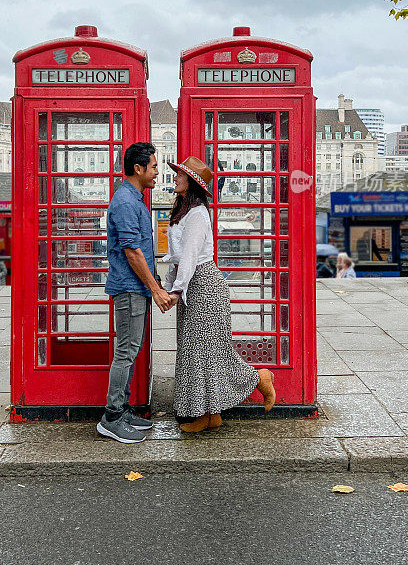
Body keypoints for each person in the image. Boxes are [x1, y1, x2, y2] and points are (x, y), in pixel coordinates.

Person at [163, 156, 276, 434]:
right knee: (198, 353)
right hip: (193, 284)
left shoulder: (198, 214)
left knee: (209, 352)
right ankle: (210, 415)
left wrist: (176, 290)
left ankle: (259, 378)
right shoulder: (182, 211)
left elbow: (190, 256)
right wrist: (167, 286)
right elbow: (176, 258)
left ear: (191, 182)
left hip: (204, 285)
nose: (175, 177)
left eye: (179, 175)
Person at [97, 142, 172, 445]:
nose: (157, 171)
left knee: (130, 350)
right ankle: (111, 417)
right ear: (138, 169)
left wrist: (154, 283)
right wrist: (156, 290)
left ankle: (123, 409)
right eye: (154, 166)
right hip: (130, 288)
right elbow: (132, 251)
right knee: (125, 353)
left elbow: (143, 250)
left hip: (136, 287)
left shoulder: (133, 198)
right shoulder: (127, 202)